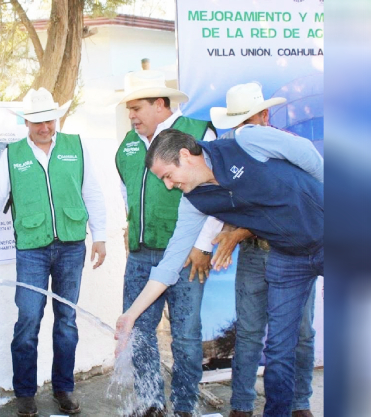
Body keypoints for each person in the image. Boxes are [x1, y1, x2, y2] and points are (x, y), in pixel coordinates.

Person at [116, 124, 323, 417]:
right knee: (278, 349)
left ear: (185, 156)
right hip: (288, 256)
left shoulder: (246, 141)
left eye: (168, 176)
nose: (168, 185)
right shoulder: (194, 201)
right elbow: (170, 265)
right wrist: (129, 316)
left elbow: (308, 155)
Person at [0, 87, 106, 417]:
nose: (45, 127)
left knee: (66, 321)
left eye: (49, 120)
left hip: (71, 247)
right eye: (37, 122)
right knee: (28, 321)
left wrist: (101, 235)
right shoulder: (12, 155)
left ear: (56, 119)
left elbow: (92, 192)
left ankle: (63, 388)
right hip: (31, 251)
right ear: (26, 122)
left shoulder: (76, 147)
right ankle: (25, 393)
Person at [115, 70, 221, 417]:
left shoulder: (199, 132)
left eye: (136, 108)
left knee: (186, 336)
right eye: (129, 110)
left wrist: (203, 245)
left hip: (186, 254)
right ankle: (151, 404)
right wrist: (131, 225)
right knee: (140, 332)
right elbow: (125, 190)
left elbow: (215, 190)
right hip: (140, 255)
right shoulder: (128, 145)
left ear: (160, 104)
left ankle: (185, 406)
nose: (131, 116)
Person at [209, 83, 317, 417]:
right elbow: (228, 202)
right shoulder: (228, 153)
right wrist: (227, 229)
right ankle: (242, 406)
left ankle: (299, 404)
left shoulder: (291, 149)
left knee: (301, 334)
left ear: (264, 116)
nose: (242, 131)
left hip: (293, 251)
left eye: (247, 122)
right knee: (250, 332)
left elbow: (295, 202)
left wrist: (239, 230)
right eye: (237, 124)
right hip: (255, 253)